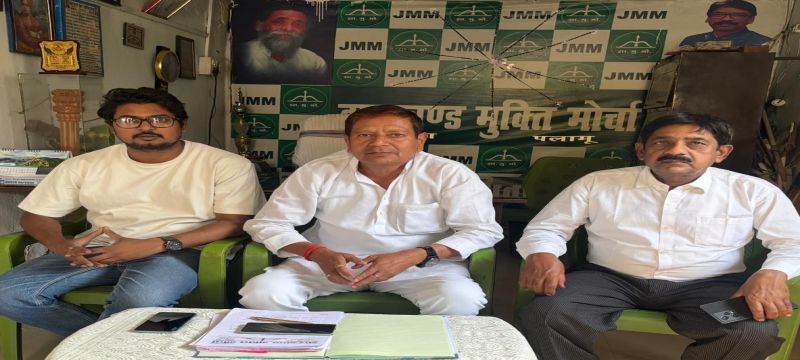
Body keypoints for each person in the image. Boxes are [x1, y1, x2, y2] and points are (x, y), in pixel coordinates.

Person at [516, 112, 800, 360]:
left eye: (696, 143)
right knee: (546, 312)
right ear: (642, 150)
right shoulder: (599, 183)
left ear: (721, 153)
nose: (677, 150)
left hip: (709, 286)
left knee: (750, 330)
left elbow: (791, 242)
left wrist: (772, 272)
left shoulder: (752, 191)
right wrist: (543, 253)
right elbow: (547, 227)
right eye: (663, 142)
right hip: (608, 280)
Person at [0, 87, 265, 336]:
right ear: (112, 126)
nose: (146, 127)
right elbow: (36, 215)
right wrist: (62, 245)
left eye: (160, 120)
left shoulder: (225, 164)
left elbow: (234, 222)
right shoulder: (84, 165)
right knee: (8, 294)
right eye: (129, 120)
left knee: (137, 302)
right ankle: (102, 345)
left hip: (180, 251)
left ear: (182, 124)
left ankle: (103, 350)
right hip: (99, 249)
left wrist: (158, 244)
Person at [240, 105, 503, 315]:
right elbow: (268, 223)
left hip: (420, 269)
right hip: (330, 265)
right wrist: (316, 253)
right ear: (348, 141)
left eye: (395, 135)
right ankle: (305, 353)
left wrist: (417, 255)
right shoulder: (318, 171)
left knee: (460, 299)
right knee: (262, 294)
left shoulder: (450, 174)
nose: (379, 143)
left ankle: (417, 358)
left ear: (420, 140)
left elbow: (481, 231)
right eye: (364, 135)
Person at [233, 3, 328, 84]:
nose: (288, 29)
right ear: (259, 25)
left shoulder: (314, 63)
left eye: (298, 24)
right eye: (279, 22)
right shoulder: (240, 55)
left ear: (305, 31)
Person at [679, 0, 770, 48]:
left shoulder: (762, 42)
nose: (726, 19)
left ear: (751, 19)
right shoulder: (691, 41)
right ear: (708, 18)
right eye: (718, 14)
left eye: (737, 15)